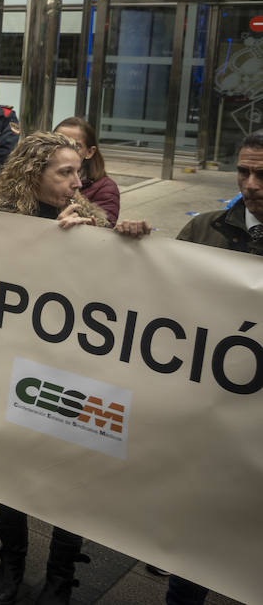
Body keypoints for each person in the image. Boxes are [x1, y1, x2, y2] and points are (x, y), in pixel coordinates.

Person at [0, 131, 149, 605]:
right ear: (33, 174)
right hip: (12, 362)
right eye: (64, 173)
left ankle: (61, 573)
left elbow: (113, 297)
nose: (77, 184)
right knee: (14, 464)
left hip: (70, 368)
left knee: (70, 469)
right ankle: (10, 560)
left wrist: (125, 243)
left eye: (79, 173)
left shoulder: (92, 219)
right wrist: (48, 244)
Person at [167, 131, 263, 604]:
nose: (250, 184)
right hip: (208, 409)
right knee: (198, 529)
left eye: (262, 174)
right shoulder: (204, 228)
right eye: (243, 172)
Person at [52, 116, 119, 224]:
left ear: (90, 152)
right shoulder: (36, 176)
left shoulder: (105, 187)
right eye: (58, 142)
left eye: (75, 145)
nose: (64, 150)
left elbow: (105, 231)